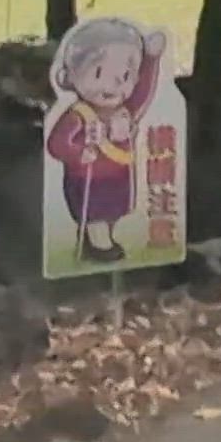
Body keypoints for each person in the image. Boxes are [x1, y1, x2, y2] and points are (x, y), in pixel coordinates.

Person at [45, 16, 165, 265]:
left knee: (114, 210)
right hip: (87, 177)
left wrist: (152, 60)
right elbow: (57, 144)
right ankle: (99, 246)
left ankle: (101, 238)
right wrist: (78, 153)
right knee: (95, 213)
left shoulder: (123, 111)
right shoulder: (78, 115)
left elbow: (143, 94)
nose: (113, 85)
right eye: (99, 73)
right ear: (71, 75)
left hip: (118, 174)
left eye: (124, 76)